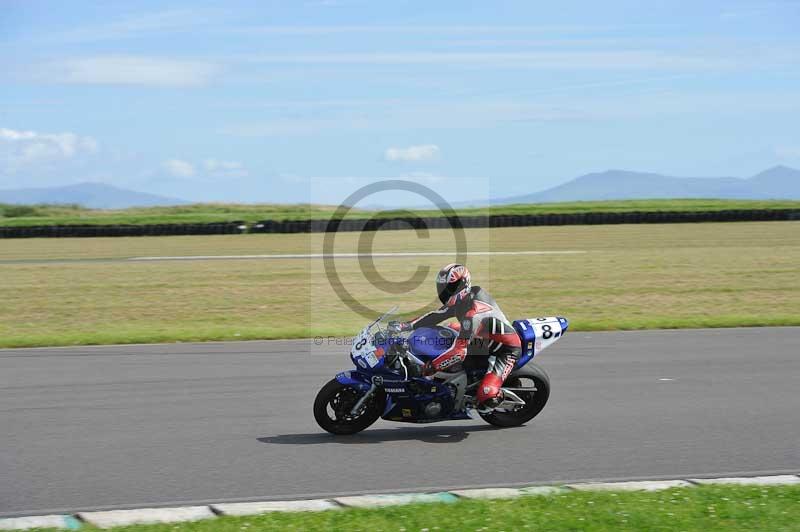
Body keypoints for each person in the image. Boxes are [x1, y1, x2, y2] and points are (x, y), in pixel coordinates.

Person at [389, 263, 521, 412]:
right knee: (445, 331)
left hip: (505, 349)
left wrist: (430, 368)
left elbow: (459, 352)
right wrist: (404, 326)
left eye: (450, 288)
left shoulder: (473, 314)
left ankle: (495, 396)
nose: (445, 292)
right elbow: (435, 316)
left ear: (463, 285)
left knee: (486, 396)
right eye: (443, 287)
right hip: (480, 339)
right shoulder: (463, 299)